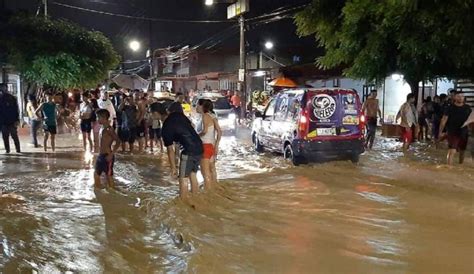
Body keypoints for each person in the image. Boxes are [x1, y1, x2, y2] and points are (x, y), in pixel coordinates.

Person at [160, 102, 203, 199]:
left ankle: (183, 200)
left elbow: (170, 149)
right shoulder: (183, 118)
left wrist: (173, 168)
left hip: (189, 150)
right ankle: (195, 197)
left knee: (183, 177)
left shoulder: (168, 125)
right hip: (199, 147)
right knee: (192, 174)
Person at [439, 91, 472, 165]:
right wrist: (440, 132)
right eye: (458, 96)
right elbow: (444, 120)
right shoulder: (449, 107)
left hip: (464, 132)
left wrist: (470, 130)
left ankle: (460, 167)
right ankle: (449, 169)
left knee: (462, 151)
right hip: (452, 132)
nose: (461, 98)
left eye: (462, 96)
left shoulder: (467, 108)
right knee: (452, 151)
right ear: (454, 97)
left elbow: (470, 120)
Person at [196, 99, 222, 189]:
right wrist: (217, 144)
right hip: (211, 145)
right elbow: (219, 131)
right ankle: (214, 187)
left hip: (205, 145)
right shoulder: (212, 116)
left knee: (205, 172)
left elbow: (204, 131)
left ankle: (208, 193)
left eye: (197, 105)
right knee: (211, 169)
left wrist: (195, 136)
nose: (196, 107)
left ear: (202, 106)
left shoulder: (205, 116)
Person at [94, 109, 121, 189]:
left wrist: (111, 154)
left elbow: (118, 141)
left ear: (104, 118)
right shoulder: (102, 128)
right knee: (96, 174)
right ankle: (98, 192)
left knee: (109, 176)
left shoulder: (109, 129)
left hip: (107, 156)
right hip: (101, 155)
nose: (97, 119)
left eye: (98, 117)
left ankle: (114, 194)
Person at [0, 83, 21, 153]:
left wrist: (17, 119)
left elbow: (16, 109)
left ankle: (18, 150)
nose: (3, 89)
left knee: (14, 136)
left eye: (4, 87)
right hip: (3, 122)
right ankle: (7, 150)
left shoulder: (11, 98)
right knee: (5, 137)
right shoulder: (1, 98)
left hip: (11, 121)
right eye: (1, 88)